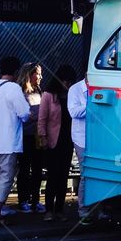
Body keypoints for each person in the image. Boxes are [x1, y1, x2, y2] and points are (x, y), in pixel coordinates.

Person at [0, 56, 30, 224]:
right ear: (16, 72)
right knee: (6, 177)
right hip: (7, 141)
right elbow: (24, 114)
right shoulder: (14, 89)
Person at [38, 64, 76, 222]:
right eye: (65, 81)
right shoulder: (48, 95)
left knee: (63, 176)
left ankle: (59, 209)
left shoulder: (72, 95)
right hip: (53, 140)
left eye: (69, 82)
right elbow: (42, 119)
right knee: (53, 175)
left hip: (68, 140)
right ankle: (48, 210)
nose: (67, 84)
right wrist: (43, 137)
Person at [15, 62, 44, 213]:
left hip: (37, 136)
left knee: (38, 169)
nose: (40, 77)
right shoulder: (20, 92)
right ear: (29, 74)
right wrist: (39, 115)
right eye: (38, 73)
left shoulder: (39, 90)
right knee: (25, 168)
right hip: (25, 135)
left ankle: (36, 200)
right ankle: (23, 200)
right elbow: (26, 115)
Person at [67, 76, 91, 223]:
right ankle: (83, 210)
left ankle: (98, 209)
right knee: (86, 174)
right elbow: (74, 112)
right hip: (82, 138)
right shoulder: (75, 89)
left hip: (100, 139)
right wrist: (93, 106)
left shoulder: (103, 86)